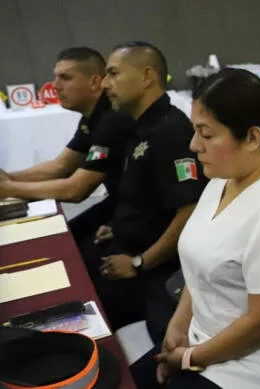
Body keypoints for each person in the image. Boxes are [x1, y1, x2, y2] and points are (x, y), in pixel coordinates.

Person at [125, 69, 260, 389]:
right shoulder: (221, 180)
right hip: (199, 340)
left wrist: (190, 357)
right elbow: (199, 265)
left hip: (245, 367)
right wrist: (179, 324)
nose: (194, 145)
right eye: (195, 131)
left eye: (206, 135)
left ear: (252, 138)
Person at [80, 41, 209, 341]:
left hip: (156, 266)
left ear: (147, 76)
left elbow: (189, 211)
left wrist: (140, 263)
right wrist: (120, 226)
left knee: (86, 311)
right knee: (75, 264)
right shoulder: (139, 126)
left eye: (113, 74)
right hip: (130, 245)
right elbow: (146, 200)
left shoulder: (170, 131)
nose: (106, 84)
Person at [0, 47, 133, 243]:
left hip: (137, 209)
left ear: (95, 82)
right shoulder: (92, 116)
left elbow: (76, 190)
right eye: (56, 77)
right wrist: (7, 178)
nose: (55, 86)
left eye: (65, 78)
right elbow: (60, 166)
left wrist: (9, 188)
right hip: (121, 202)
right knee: (63, 237)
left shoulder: (111, 120)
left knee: (61, 244)